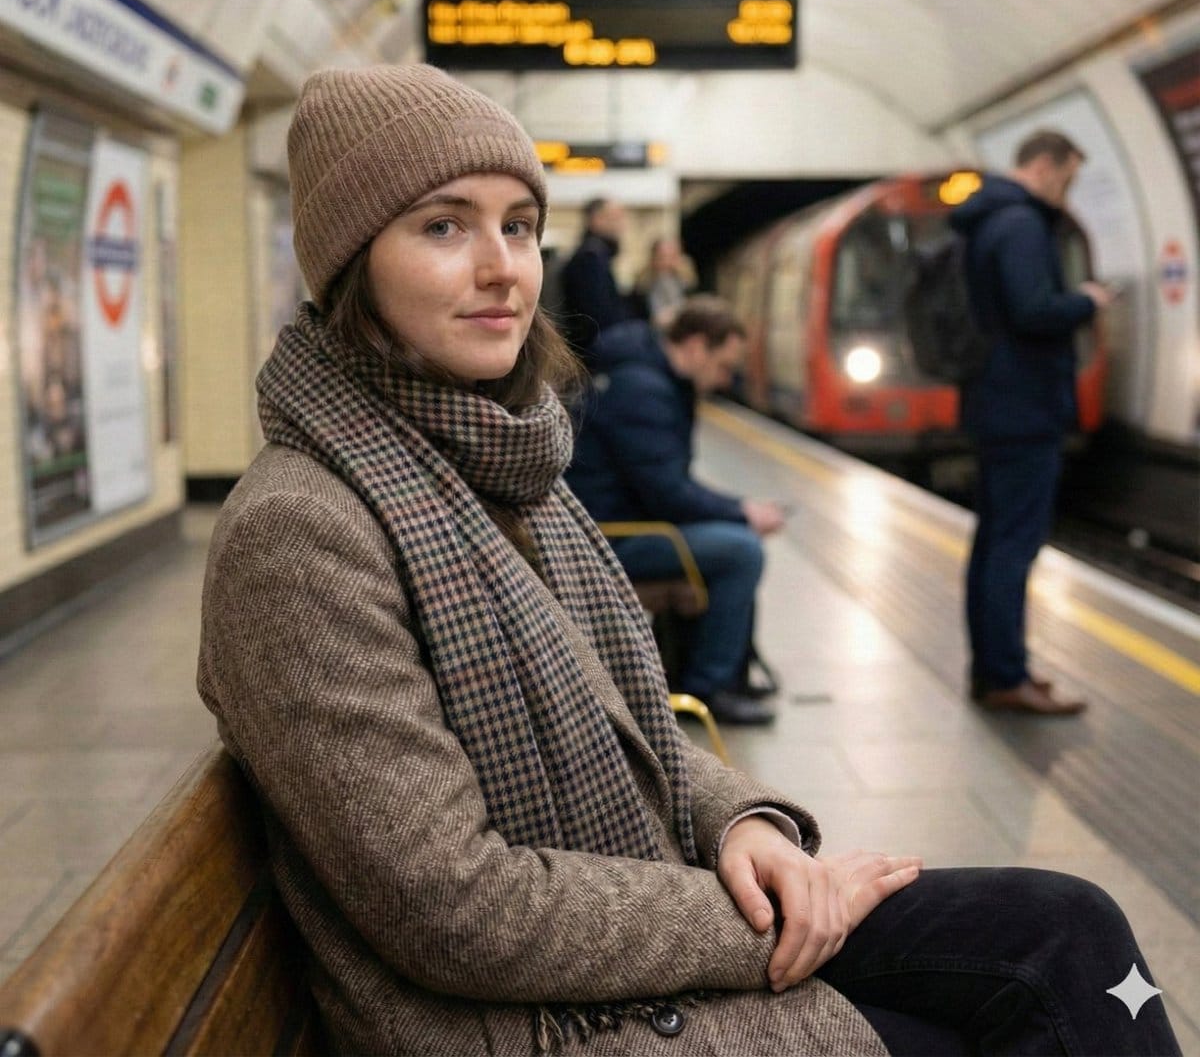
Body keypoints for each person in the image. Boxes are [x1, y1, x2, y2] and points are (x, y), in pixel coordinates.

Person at [197, 65, 1179, 1057]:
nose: (503, 268)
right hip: (533, 1023)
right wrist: (766, 917)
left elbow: (636, 740)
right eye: (444, 227)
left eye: (519, 226)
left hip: (631, 923)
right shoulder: (299, 534)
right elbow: (454, 907)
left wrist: (745, 827)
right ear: (349, 263)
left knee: (1071, 931)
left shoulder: (507, 461)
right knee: (1034, 1000)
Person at [951, 129, 1113, 716]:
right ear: (1044, 167)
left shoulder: (989, 219)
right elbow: (1033, 310)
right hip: (1022, 405)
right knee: (1012, 545)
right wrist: (1087, 301)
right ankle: (1004, 675)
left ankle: (995, 669)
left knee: (995, 539)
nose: (1067, 194)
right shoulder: (1019, 224)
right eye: (1067, 178)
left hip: (997, 402)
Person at [566, 298, 784, 726]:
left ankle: (726, 670)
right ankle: (709, 687)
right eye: (723, 366)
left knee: (731, 536)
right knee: (741, 551)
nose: (724, 380)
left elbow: (665, 484)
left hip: (621, 522)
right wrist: (742, 512)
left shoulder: (650, 377)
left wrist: (735, 511)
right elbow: (669, 494)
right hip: (609, 539)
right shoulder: (643, 392)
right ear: (697, 345)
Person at [558, 196, 630, 363]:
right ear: (596, 220)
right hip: (594, 349)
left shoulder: (597, 255)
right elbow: (598, 314)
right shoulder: (590, 258)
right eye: (614, 217)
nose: (621, 224)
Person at [632, 235, 696, 326]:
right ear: (654, 257)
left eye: (673, 256)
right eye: (663, 256)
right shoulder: (643, 286)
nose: (668, 261)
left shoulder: (685, 282)